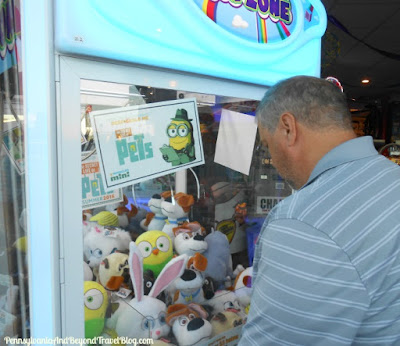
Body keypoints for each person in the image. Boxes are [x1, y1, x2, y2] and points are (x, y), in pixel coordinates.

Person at [239, 76, 400, 345]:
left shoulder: (301, 222)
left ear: (288, 128)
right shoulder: (392, 178)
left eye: (267, 145)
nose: (273, 160)